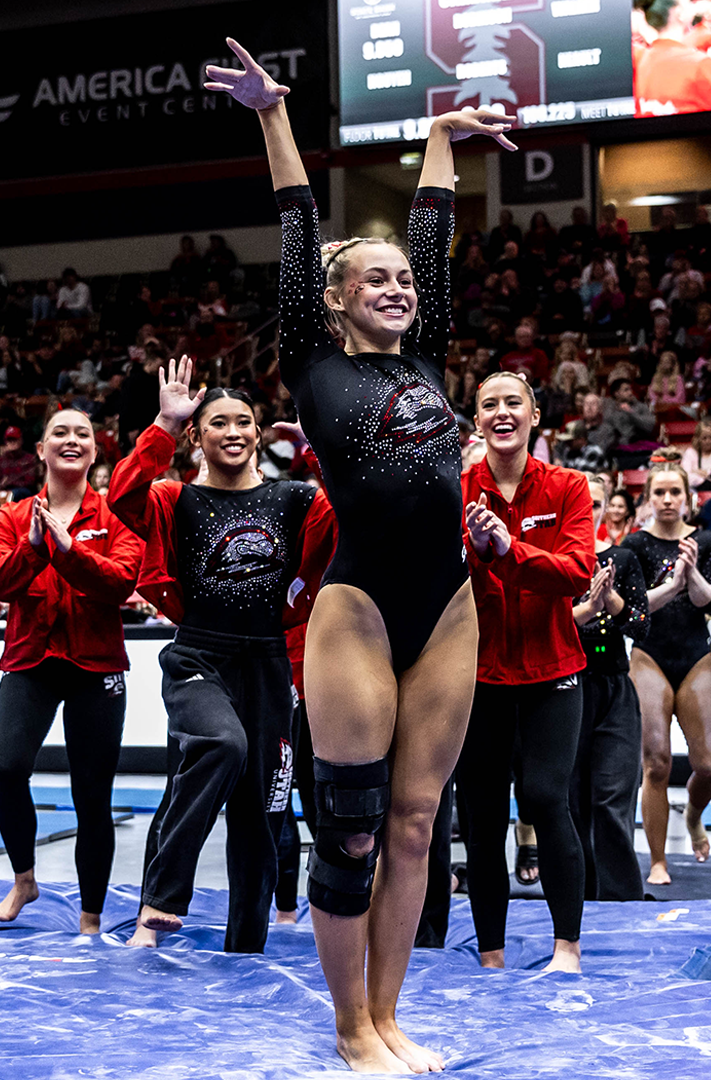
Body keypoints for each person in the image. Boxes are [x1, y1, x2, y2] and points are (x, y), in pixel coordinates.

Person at [211, 37, 517, 1072]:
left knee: (418, 823)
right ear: (336, 300)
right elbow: (298, 224)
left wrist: (440, 138)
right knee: (350, 830)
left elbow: (433, 232)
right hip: (361, 610)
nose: (395, 286)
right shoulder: (311, 361)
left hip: (448, 606)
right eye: (372, 278)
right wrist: (272, 114)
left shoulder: (426, 354)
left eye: (402, 279)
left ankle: (388, 1017)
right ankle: (349, 1030)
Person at [108, 360, 334, 952]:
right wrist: (162, 424)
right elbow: (121, 497)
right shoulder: (173, 497)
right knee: (221, 745)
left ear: (258, 432)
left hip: (271, 665)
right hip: (198, 658)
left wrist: (320, 446)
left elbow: (353, 512)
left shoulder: (295, 498)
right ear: (196, 435)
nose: (232, 432)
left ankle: (247, 946)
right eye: (217, 423)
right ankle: (161, 900)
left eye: (243, 422)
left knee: (263, 816)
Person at [0, 408, 144, 935]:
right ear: (42, 449)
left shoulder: (117, 515)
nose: (71, 440)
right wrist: (34, 546)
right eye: (60, 433)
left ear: (95, 451)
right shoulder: (11, 516)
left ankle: (90, 916)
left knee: (92, 794)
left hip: (97, 665)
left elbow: (120, 583)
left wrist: (69, 550)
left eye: (82, 434)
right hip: (31, 659)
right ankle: (24, 880)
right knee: (6, 768)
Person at [456, 372, 596, 971]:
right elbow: (435, 577)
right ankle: (491, 954)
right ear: (478, 420)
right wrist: (472, 551)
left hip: (551, 669)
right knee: (483, 814)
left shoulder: (568, 486)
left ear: (534, 415)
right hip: (478, 674)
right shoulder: (457, 489)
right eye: (490, 405)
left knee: (545, 796)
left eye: (514, 402)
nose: (502, 413)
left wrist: (510, 551)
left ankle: (567, 947)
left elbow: (578, 572)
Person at [624, 455, 711, 887]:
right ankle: (658, 860)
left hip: (694, 654)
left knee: (710, 767)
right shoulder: (634, 545)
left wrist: (692, 574)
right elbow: (632, 609)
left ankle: (694, 813)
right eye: (659, 493)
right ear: (648, 499)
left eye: (675, 492)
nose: (667, 500)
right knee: (656, 762)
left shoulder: (705, 541)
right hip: (649, 654)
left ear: (688, 499)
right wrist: (672, 584)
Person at [573, 473, 650, 901]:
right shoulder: (556, 559)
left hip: (614, 689)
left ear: (606, 509)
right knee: (573, 804)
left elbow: (642, 626)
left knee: (612, 799)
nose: (588, 512)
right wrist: (587, 607)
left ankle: (622, 905)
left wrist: (612, 600)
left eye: (596, 504)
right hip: (566, 690)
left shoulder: (622, 558)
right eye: (581, 503)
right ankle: (577, 901)